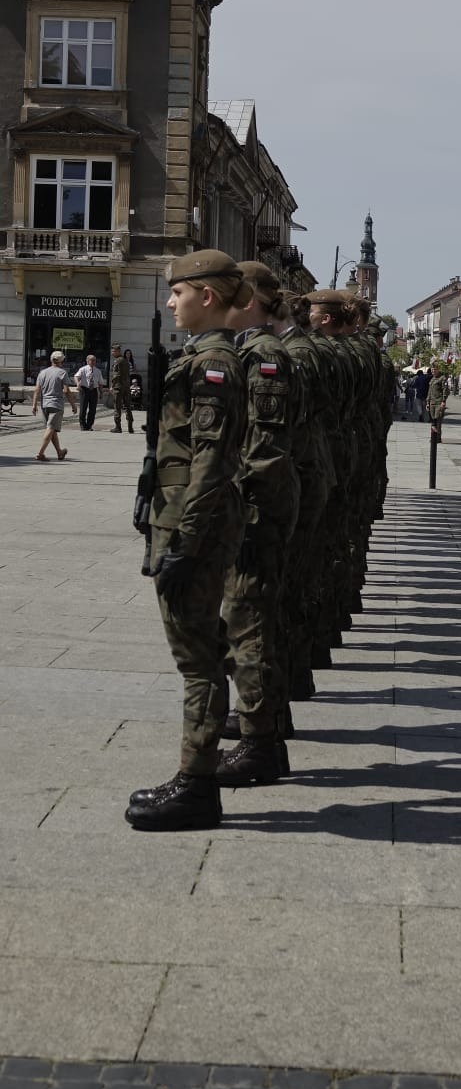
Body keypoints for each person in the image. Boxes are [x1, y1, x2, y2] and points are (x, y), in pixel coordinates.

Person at [125, 250, 249, 832]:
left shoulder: (216, 362)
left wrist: (185, 540)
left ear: (206, 294)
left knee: (196, 658)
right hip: (178, 519)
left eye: (178, 292)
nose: (172, 301)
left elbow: (212, 460)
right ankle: (195, 774)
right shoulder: (201, 357)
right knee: (201, 649)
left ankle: (196, 785)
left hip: (190, 527)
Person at [216, 261, 301, 787]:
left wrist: (243, 512)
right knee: (252, 619)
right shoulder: (257, 347)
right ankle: (264, 724)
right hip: (262, 504)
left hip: (258, 509)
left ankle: (258, 744)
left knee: (247, 621)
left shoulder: (265, 353)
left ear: (247, 295)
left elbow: (264, 448)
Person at [31, 351, 77, 461]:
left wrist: (34, 405)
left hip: (44, 405)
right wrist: (73, 405)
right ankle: (40, 453)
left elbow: (37, 390)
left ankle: (60, 452)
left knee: (52, 430)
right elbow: (66, 391)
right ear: (62, 361)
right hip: (56, 405)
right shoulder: (62, 373)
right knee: (51, 428)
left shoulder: (42, 372)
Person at [74, 353, 104, 430]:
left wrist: (101, 392)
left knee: (93, 409)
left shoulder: (98, 371)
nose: (93, 362)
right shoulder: (83, 369)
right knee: (83, 408)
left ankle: (89, 425)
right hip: (84, 389)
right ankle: (83, 425)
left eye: (95, 360)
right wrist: (77, 384)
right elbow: (76, 376)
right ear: (87, 361)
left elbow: (100, 382)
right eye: (92, 360)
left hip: (93, 390)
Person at [109, 343, 133, 433]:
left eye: (114, 351)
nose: (112, 353)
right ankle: (130, 427)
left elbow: (116, 375)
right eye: (112, 351)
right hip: (126, 386)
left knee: (117, 407)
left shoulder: (117, 361)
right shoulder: (126, 360)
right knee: (128, 407)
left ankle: (118, 427)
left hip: (118, 387)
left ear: (118, 351)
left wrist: (112, 386)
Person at [426, 360, 449, 440]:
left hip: (439, 402)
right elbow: (429, 391)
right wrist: (428, 402)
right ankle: (433, 437)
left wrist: (443, 401)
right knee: (433, 421)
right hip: (432, 402)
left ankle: (437, 438)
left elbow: (445, 390)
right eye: (432, 369)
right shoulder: (432, 379)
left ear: (438, 369)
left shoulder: (442, 378)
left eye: (435, 369)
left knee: (438, 420)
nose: (433, 371)